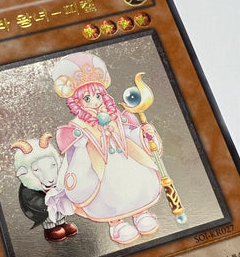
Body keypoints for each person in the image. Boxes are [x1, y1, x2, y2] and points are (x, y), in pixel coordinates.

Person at [50, 52, 161, 245]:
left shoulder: (117, 116)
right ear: (77, 103)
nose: (95, 102)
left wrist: (144, 134)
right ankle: (116, 224)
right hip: (100, 166)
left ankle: (141, 213)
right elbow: (77, 155)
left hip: (127, 159)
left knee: (136, 185)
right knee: (108, 194)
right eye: (87, 99)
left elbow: (130, 135)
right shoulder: (78, 126)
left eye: (98, 96)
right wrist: (83, 142)